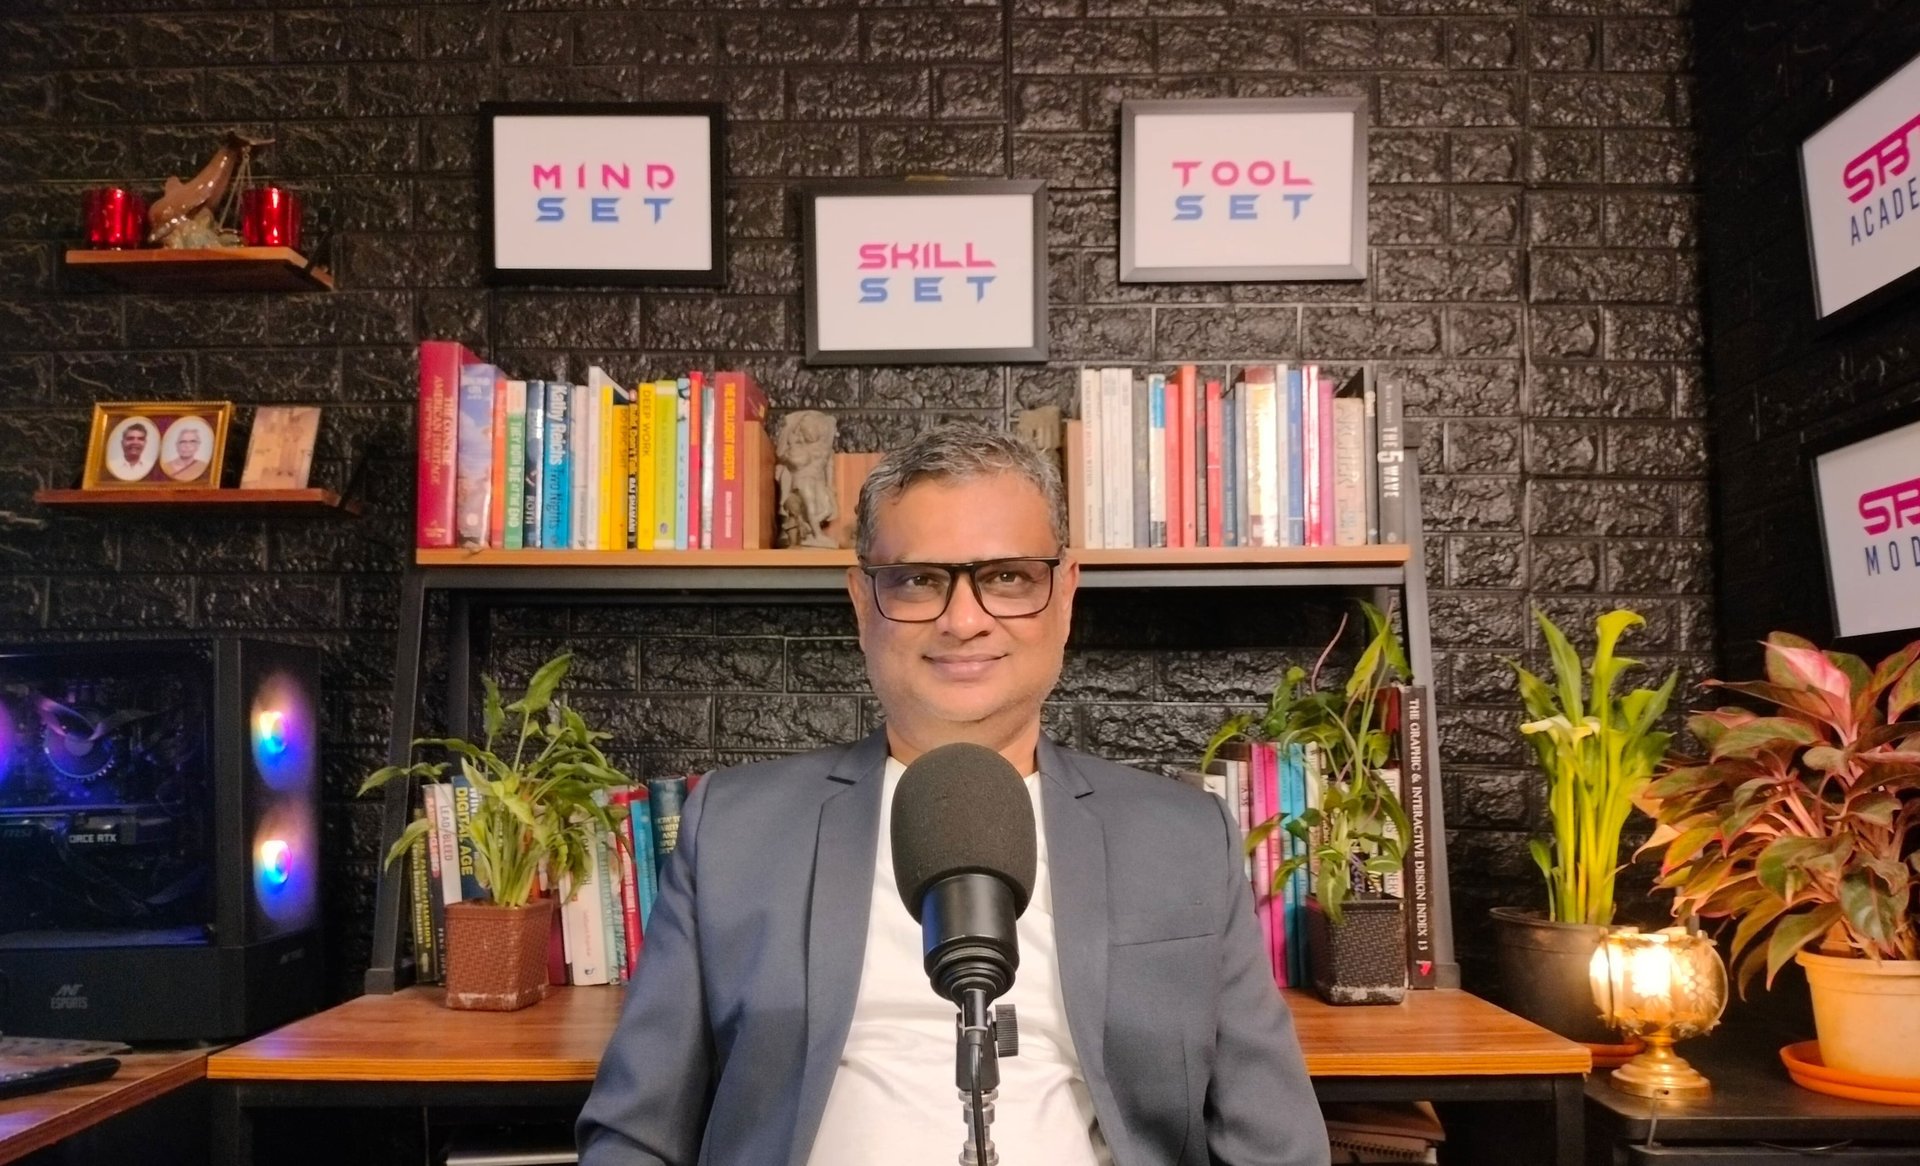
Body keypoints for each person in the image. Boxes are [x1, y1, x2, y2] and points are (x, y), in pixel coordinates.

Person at [577, 425, 1328, 1166]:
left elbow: (1279, 1145)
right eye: (917, 580)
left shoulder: (1184, 840)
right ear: (861, 600)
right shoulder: (733, 829)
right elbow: (635, 1133)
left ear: (1065, 595)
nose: (963, 620)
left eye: (1007, 577)